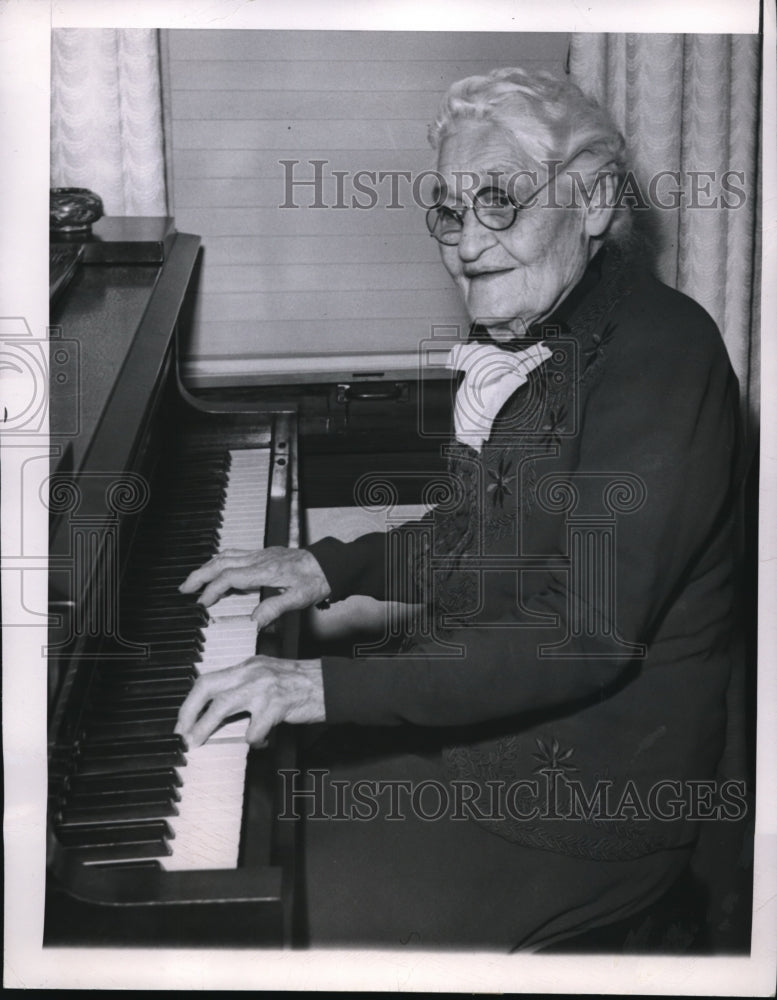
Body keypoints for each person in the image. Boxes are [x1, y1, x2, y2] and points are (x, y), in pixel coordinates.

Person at [176, 68, 742, 950]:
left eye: (499, 203)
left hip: (581, 790)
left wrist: (318, 684)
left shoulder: (664, 355)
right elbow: (481, 538)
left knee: (250, 920)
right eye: (449, 210)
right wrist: (324, 565)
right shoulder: (540, 331)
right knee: (243, 814)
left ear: (591, 201)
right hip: (484, 733)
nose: (467, 244)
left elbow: (582, 635)